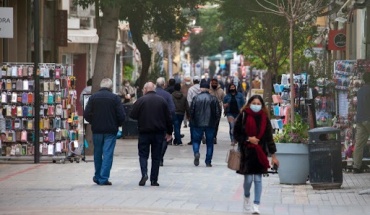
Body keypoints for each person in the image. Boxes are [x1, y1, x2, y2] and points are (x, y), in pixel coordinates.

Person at [233, 95, 279, 214]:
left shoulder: (265, 118)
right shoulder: (243, 115)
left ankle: (256, 205)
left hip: (260, 153)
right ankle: (247, 197)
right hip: (246, 153)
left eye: (259, 104)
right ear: (249, 104)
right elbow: (236, 134)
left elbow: (269, 138)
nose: (256, 106)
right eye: (254, 103)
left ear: (262, 106)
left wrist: (273, 155)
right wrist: (248, 139)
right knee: (248, 179)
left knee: (258, 179)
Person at [83, 78, 126, 186]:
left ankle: (97, 176)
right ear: (110, 87)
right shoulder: (115, 98)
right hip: (110, 130)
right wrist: (118, 124)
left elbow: (86, 114)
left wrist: (93, 121)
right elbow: (121, 115)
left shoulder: (93, 98)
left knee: (97, 153)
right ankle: (103, 178)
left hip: (97, 130)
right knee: (107, 154)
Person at [130, 82, 173, 186]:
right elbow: (168, 118)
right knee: (156, 156)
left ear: (145, 90)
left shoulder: (140, 100)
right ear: (154, 89)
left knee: (143, 155)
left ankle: (144, 173)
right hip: (158, 133)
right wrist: (169, 132)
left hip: (144, 132)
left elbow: (132, 115)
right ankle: (154, 180)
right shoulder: (162, 101)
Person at [190, 80, 221, 167]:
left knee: (196, 141)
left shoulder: (195, 98)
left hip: (197, 123)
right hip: (210, 124)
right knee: (210, 143)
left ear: (200, 88)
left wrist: (192, 121)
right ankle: (208, 161)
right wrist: (215, 121)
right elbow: (218, 113)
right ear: (208, 89)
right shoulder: (213, 99)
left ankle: (196, 152)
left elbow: (191, 111)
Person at [156, 77, 175, 166]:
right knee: (165, 139)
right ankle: (160, 157)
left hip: (151, 121)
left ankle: (156, 156)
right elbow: (172, 109)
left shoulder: (150, 94)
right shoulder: (167, 95)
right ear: (164, 85)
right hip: (164, 120)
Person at [353, 72, 370, 173]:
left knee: (359, 144)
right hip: (368, 118)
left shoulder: (360, 91)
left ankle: (356, 166)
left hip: (360, 119)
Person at [209, 78, 225, 144]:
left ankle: (214, 137)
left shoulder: (221, 91)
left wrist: (225, 109)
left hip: (218, 109)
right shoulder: (208, 90)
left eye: (215, 83)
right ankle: (209, 136)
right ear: (211, 83)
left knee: (216, 124)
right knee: (209, 123)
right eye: (213, 83)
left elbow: (224, 100)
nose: (214, 84)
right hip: (209, 108)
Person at [186, 76, 201, 145]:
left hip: (193, 109)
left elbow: (189, 100)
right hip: (201, 109)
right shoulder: (201, 89)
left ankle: (193, 139)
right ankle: (200, 137)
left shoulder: (191, 89)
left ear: (193, 81)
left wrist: (189, 111)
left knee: (192, 125)